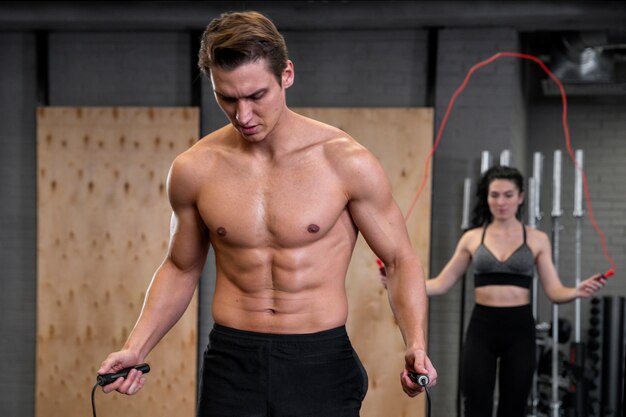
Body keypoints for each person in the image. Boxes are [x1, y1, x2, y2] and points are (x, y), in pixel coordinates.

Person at [97, 10, 436, 417]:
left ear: (286, 75)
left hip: (319, 362)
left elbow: (400, 259)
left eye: (256, 96)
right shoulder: (195, 168)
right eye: (227, 98)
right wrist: (136, 347)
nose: (243, 116)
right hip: (232, 360)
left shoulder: (344, 162)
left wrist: (415, 342)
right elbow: (181, 267)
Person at [423, 165, 605, 417]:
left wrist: (576, 291)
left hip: (519, 329)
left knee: (514, 406)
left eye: (508, 195)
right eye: (494, 195)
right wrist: (400, 282)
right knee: (475, 404)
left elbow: (554, 290)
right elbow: (441, 283)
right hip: (482, 328)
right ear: (486, 197)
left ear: (520, 197)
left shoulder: (537, 239)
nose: (501, 201)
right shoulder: (472, 238)